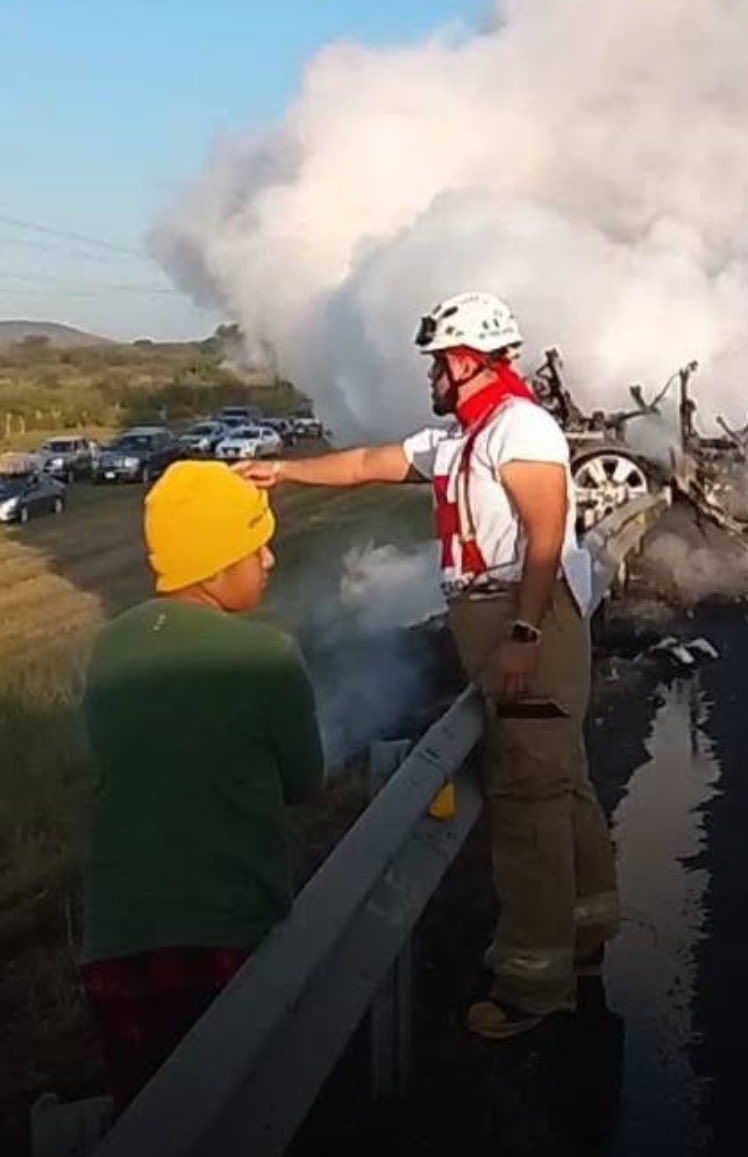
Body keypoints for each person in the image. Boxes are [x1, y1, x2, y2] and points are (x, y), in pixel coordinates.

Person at [238, 289, 619, 1041]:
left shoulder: (522, 429)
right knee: (558, 779)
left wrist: (521, 633)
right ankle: (584, 927)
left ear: (470, 360)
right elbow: (370, 462)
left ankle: (532, 985)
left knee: (528, 795)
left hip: (523, 619)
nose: (431, 376)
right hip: (499, 618)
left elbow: (544, 538)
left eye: (439, 362)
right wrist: (283, 473)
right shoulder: (462, 437)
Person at [79, 461, 324, 1109]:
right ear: (216, 567)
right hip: (227, 929)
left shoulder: (106, 646)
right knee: (244, 1113)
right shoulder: (266, 654)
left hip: (114, 937)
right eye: (256, 546)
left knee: (151, 1117)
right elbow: (305, 781)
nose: (269, 559)